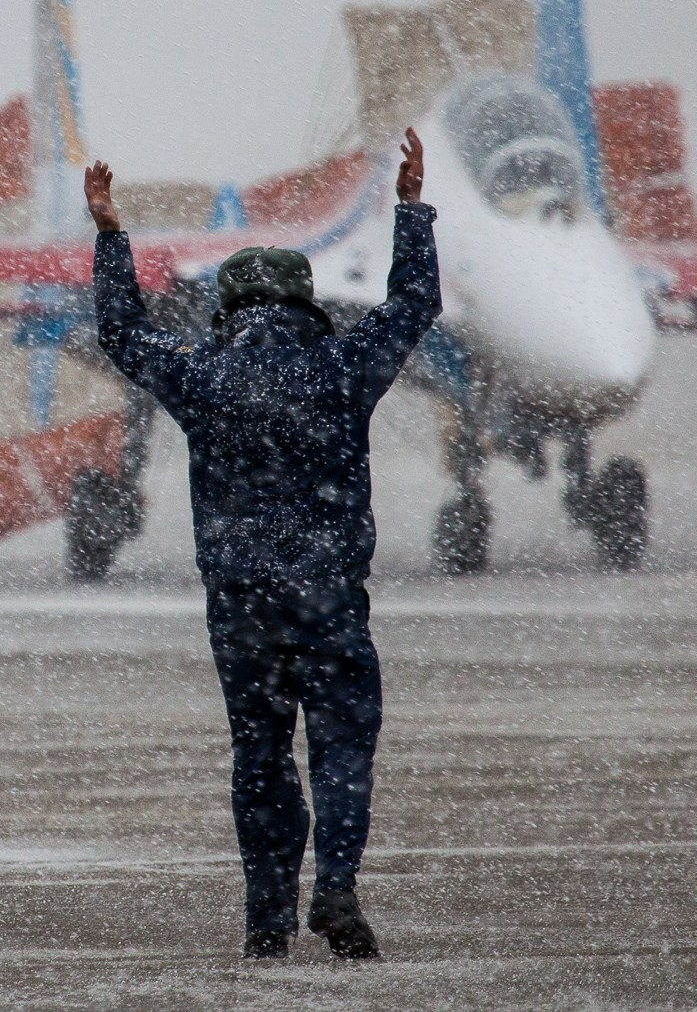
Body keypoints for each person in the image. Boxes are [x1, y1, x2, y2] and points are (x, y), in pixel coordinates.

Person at [84, 128, 438, 960]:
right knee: (342, 746)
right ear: (305, 304)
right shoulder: (345, 368)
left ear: (233, 309)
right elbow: (414, 305)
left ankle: (266, 921)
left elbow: (124, 336)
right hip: (328, 599)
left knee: (260, 756)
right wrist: (412, 210)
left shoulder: (202, 377)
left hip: (242, 606)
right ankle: (338, 884)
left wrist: (110, 236)